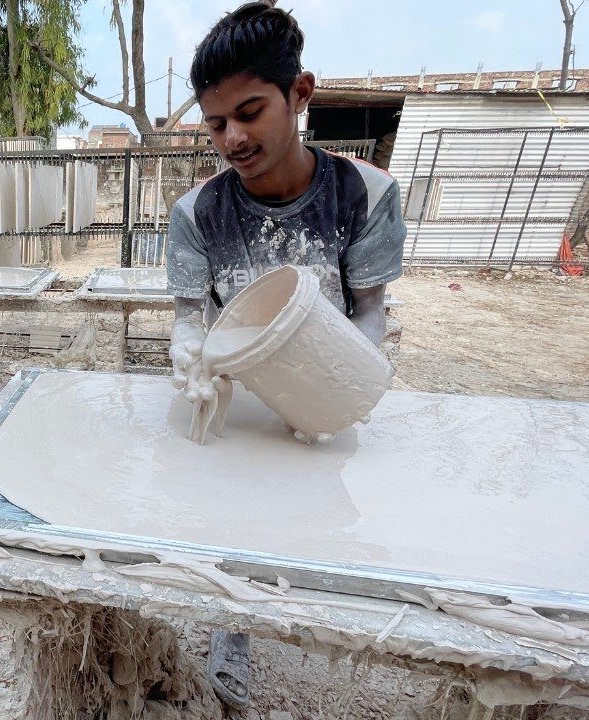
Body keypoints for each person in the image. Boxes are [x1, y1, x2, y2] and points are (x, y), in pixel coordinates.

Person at [164, 2, 407, 710]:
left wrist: (333, 393)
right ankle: (231, 635)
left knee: (320, 518)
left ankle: (315, 616)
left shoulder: (363, 193)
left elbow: (367, 313)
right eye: (215, 124)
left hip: (325, 389)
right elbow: (188, 321)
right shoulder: (196, 215)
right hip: (236, 396)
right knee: (226, 524)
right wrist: (189, 358)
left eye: (250, 112)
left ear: (300, 92)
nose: (232, 138)